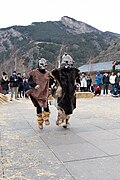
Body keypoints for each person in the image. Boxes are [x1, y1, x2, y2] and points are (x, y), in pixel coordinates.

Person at [51, 53, 80, 128]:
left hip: (71, 90)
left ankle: (66, 121)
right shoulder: (59, 71)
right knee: (61, 105)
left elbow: (77, 79)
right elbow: (56, 79)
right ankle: (61, 120)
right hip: (62, 90)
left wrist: (77, 84)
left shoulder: (74, 71)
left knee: (70, 106)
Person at [25, 58, 51, 129]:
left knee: (46, 106)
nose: (43, 66)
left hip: (44, 93)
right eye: (42, 64)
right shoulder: (34, 72)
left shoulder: (48, 73)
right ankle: (40, 122)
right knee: (38, 107)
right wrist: (34, 85)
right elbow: (30, 81)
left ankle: (46, 118)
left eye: (45, 65)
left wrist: (52, 86)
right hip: (36, 93)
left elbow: (51, 81)